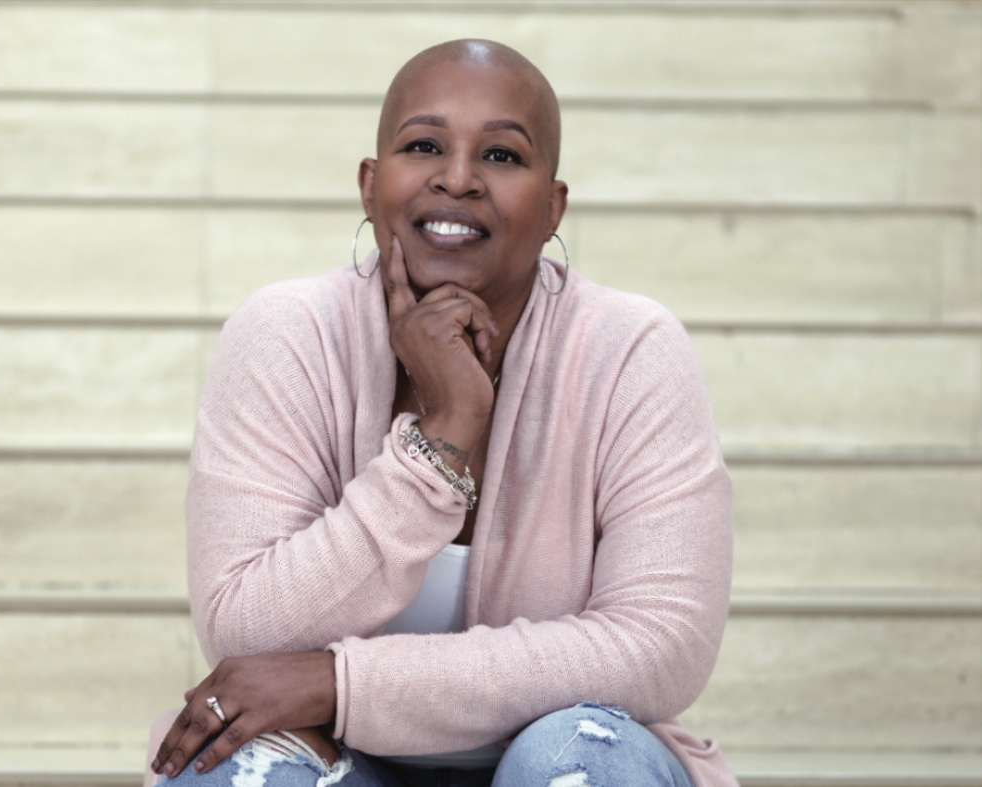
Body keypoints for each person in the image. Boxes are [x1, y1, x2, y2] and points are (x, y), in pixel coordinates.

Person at [148, 39, 737, 787]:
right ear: (370, 186)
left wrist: (342, 683)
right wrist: (445, 436)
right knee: (241, 768)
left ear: (553, 206)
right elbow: (245, 628)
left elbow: (661, 645)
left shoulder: (631, 351)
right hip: (342, 763)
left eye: (501, 156)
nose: (457, 179)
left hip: (554, 757)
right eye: (423, 145)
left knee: (582, 759)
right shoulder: (287, 333)